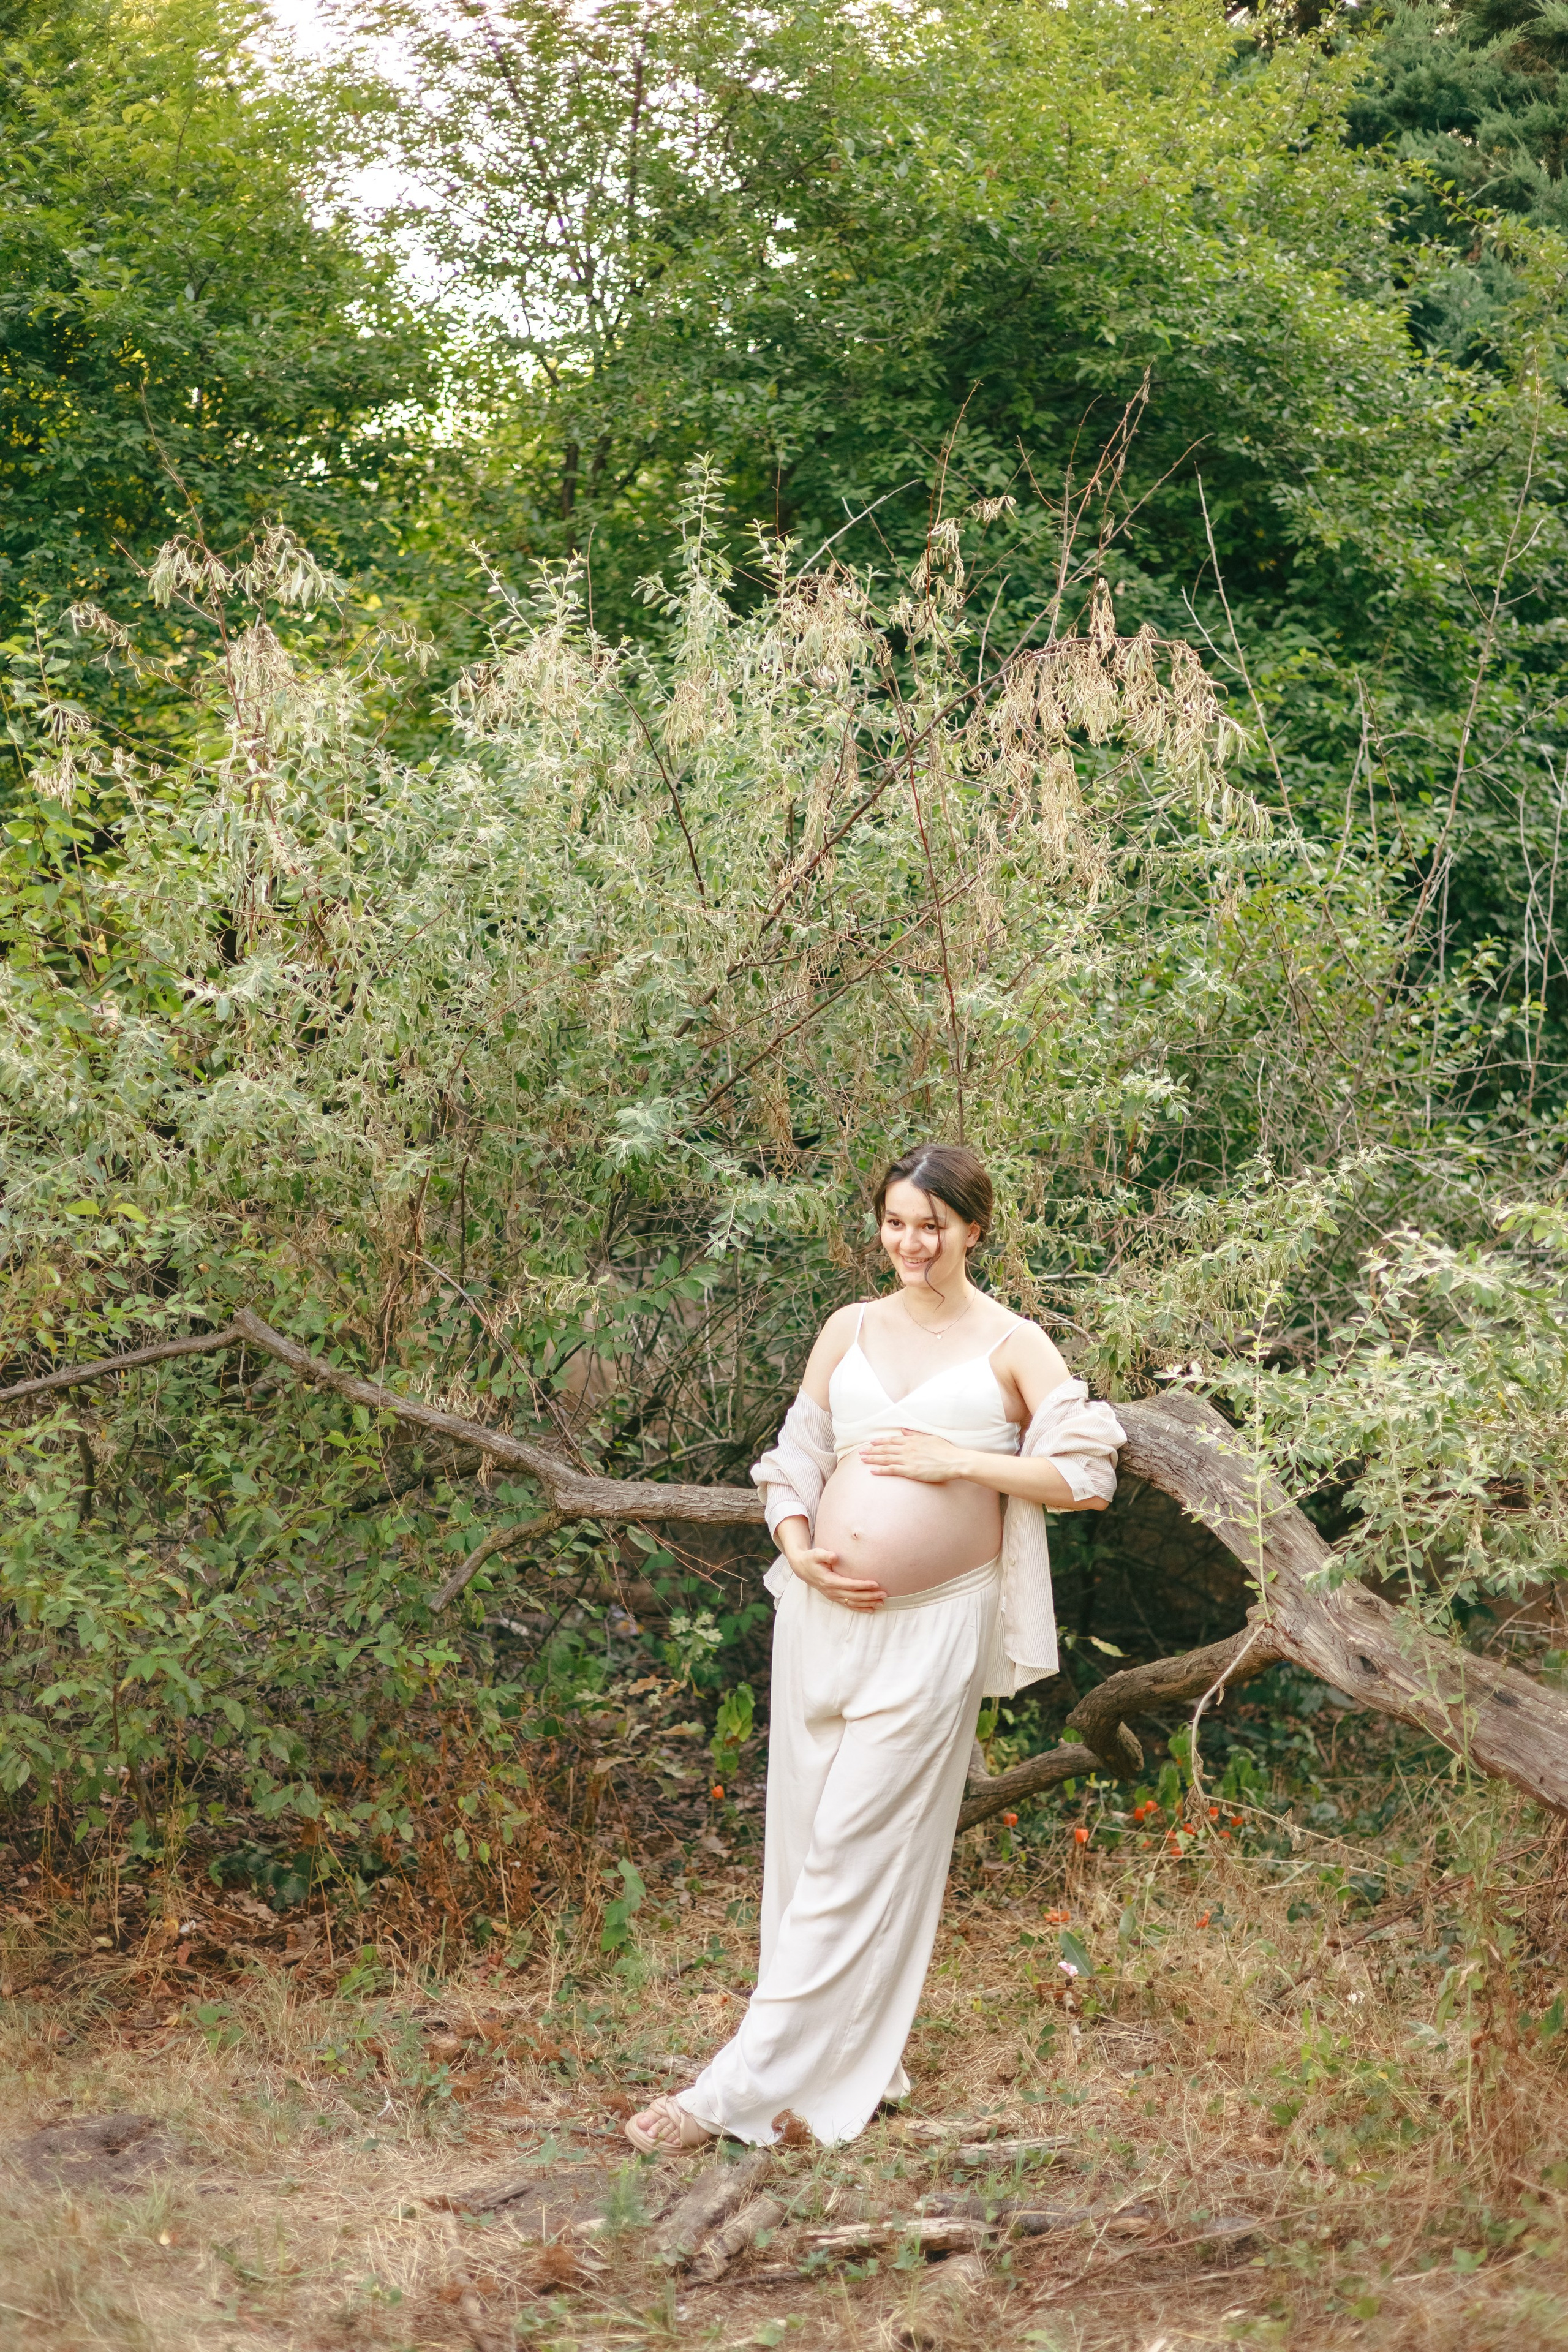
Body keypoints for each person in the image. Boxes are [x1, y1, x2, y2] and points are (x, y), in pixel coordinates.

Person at [624, 1142, 1125, 2154]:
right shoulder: (846, 1329)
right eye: (896, 1222)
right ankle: (854, 2059)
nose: (911, 1243)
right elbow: (799, 1454)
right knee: (807, 1851)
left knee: (856, 1850)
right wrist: (798, 1549)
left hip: (932, 1627)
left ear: (974, 1230)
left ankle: (728, 2095)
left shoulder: (1016, 1345)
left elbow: (1085, 1477)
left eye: (932, 1227)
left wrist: (961, 1459)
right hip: (817, 1616)